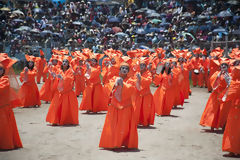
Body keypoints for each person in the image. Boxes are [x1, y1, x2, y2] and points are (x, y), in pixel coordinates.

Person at [99, 56, 138, 149]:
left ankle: (123, 142)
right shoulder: (114, 78)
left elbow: (132, 89)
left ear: (129, 70)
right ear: (119, 69)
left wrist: (123, 84)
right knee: (113, 125)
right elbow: (107, 87)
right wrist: (115, 84)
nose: (124, 70)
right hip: (114, 106)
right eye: (123, 68)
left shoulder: (132, 79)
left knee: (124, 126)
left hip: (126, 107)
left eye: (126, 69)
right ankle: (113, 142)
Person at [200, 59, 231, 131]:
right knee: (213, 110)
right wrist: (218, 76)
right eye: (222, 65)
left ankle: (222, 125)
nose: (223, 66)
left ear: (227, 67)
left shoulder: (229, 75)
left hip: (224, 95)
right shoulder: (217, 73)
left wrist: (228, 80)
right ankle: (212, 125)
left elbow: (230, 84)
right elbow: (212, 82)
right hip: (216, 94)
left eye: (225, 65)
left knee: (223, 110)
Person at [46, 57, 79, 126]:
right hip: (60, 92)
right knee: (56, 106)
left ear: (68, 64)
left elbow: (70, 79)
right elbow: (55, 79)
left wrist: (63, 78)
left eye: (66, 62)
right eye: (63, 62)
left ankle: (66, 120)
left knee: (66, 108)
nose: (64, 63)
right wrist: (54, 77)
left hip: (67, 92)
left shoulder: (70, 71)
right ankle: (55, 120)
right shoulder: (59, 70)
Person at [0, 54, 23, 150]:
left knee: (4, 129)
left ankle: (6, 144)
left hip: (3, 109)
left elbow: (2, 89)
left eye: (0, 69)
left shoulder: (5, 79)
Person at [222, 65, 240, 157]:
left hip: (236, 109)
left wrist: (229, 84)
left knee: (233, 130)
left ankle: (233, 149)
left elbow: (228, 96)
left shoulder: (236, 83)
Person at [134, 57, 155, 126]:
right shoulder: (137, 73)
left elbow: (148, 81)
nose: (142, 66)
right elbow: (133, 81)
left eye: (143, 65)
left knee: (145, 110)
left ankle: (145, 122)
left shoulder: (148, 73)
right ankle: (136, 121)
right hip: (138, 94)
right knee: (137, 109)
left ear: (146, 66)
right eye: (141, 65)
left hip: (146, 95)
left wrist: (141, 78)